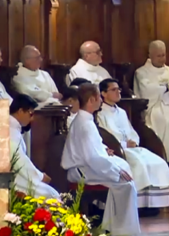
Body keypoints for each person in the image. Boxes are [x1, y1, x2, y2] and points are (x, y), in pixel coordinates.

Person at [61, 83, 142, 236]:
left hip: (87, 166)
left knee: (124, 173)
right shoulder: (85, 124)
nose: (100, 100)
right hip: (81, 171)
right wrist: (116, 172)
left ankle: (114, 225)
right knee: (126, 184)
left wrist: (104, 149)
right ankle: (121, 230)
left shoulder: (85, 120)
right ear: (91, 100)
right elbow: (93, 157)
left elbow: (93, 148)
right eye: (98, 97)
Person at [98, 78, 169, 208]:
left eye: (119, 89)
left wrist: (134, 141)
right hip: (119, 150)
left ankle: (152, 205)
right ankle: (137, 205)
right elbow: (104, 135)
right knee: (139, 164)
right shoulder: (100, 113)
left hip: (131, 147)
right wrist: (123, 144)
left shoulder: (121, 112)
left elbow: (131, 131)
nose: (118, 92)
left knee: (157, 162)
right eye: (113, 90)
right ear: (104, 93)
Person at [10, 95, 61, 199]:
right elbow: (20, 161)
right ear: (20, 111)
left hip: (18, 175)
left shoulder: (12, 128)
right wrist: (40, 176)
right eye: (30, 114)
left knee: (51, 193)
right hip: (14, 178)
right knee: (51, 195)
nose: (32, 118)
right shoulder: (10, 131)